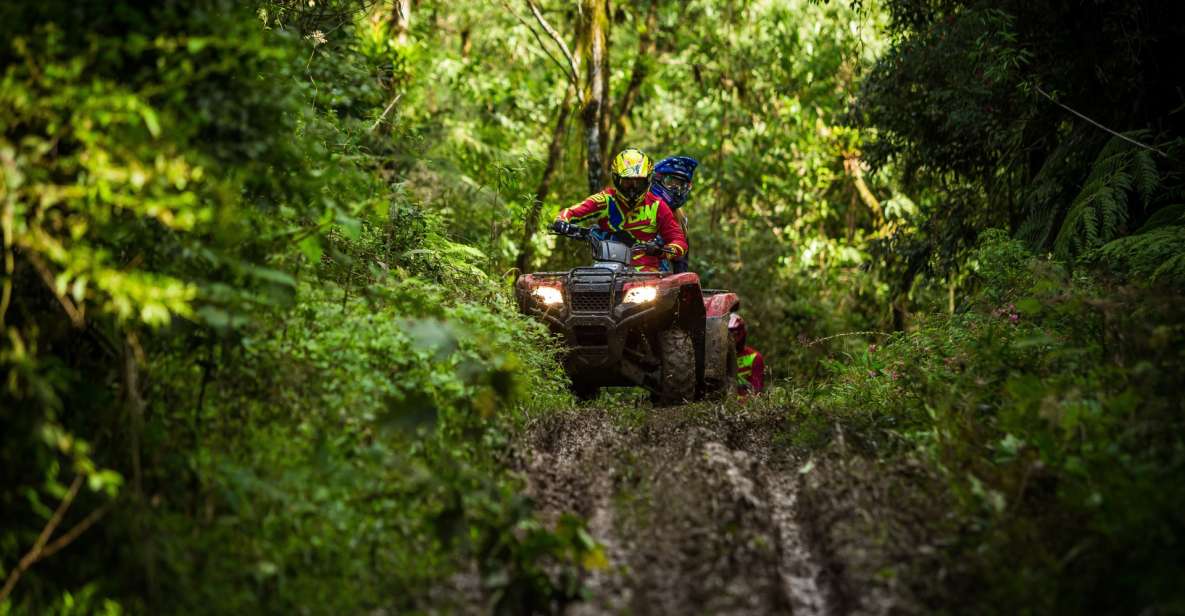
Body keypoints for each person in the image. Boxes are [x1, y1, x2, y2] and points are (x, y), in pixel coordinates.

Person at [552, 148, 688, 272]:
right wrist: (560, 221)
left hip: (647, 274)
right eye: (627, 182)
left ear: (647, 181)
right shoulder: (606, 200)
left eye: (638, 182)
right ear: (617, 179)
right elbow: (571, 211)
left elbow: (680, 242)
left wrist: (661, 251)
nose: (633, 188)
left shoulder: (657, 206)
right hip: (607, 269)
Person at [650, 156, 698, 274]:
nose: (677, 189)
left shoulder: (680, 217)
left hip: (659, 279)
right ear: (657, 179)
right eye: (671, 182)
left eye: (682, 185)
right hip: (627, 271)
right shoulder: (640, 204)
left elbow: (681, 264)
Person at [728, 313, 764, 395]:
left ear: (743, 334)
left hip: (745, 406)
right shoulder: (719, 358)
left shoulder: (755, 357)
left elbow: (756, 391)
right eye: (729, 335)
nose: (733, 339)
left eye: (736, 334)